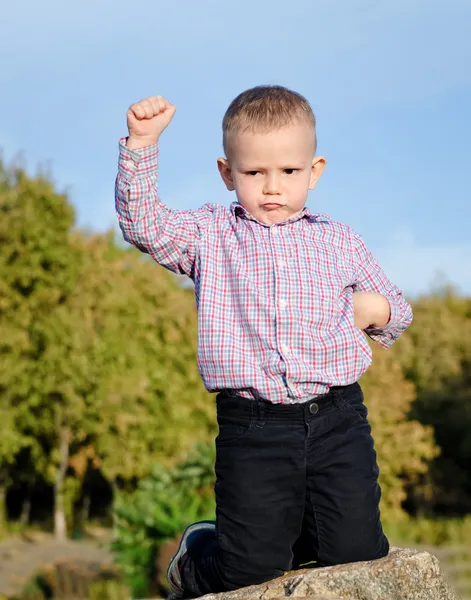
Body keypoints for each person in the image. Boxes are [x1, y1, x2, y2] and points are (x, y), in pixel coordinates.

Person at [115, 85, 413, 598]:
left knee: (357, 551)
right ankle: (197, 560)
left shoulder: (339, 241)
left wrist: (372, 309)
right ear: (228, 173)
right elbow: (144, 225)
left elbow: (399, 311)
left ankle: (286, 535)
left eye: (289, 172)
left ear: (314, 171)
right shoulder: (210, 235)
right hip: (254, 427)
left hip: (337, 419)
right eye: (254, 173)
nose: (272, 188)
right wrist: (142, 145)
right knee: (249, 570)